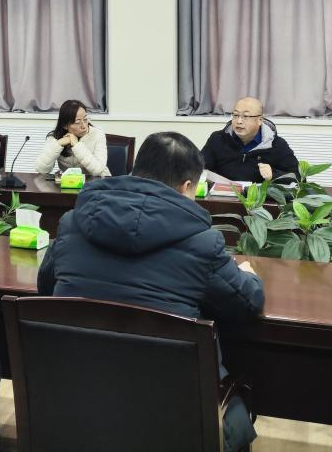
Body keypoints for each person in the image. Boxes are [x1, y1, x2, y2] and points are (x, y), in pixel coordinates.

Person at [37, 131, 263, 452]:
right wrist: (249, 276)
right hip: (171, 418)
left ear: (135, 171)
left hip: (78, 403)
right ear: (187, 187)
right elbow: (247, 303)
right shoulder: (203, 243)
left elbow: (45, 289)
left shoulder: (73, 223)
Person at [200, 97, 299, 183]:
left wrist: (273, 175)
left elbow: (297, 177)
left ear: (260, 120)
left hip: (258, 198)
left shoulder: (277, 145)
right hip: (222, 196)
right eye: (235, 115)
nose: (239, 121)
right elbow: (198, 168)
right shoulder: (217, 139)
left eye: (246, 116)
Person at [33, 100, 109, 178]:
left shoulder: (97, 134)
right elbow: (41, 169)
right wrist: (59, 143)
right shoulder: (55, 137)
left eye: (85, 119)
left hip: (98, 182)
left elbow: (98, 170)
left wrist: (76, 145)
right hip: (69, 182)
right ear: (65, 125)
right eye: (77, 122)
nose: (84, 126)